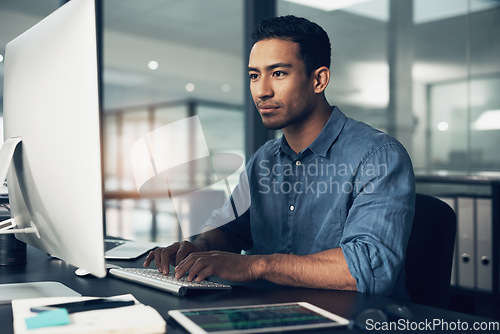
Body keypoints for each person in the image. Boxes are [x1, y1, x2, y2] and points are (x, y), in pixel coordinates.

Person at [143, 15, 415, 297]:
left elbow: (370, 267)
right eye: (254, 75)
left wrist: (256, 266)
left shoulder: (379, 156)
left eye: (278, 73)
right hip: (267, 312)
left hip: (352, 320)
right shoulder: (263, 160)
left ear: (319, 79)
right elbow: (232, 230)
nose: (262, 91)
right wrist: (198, 248)